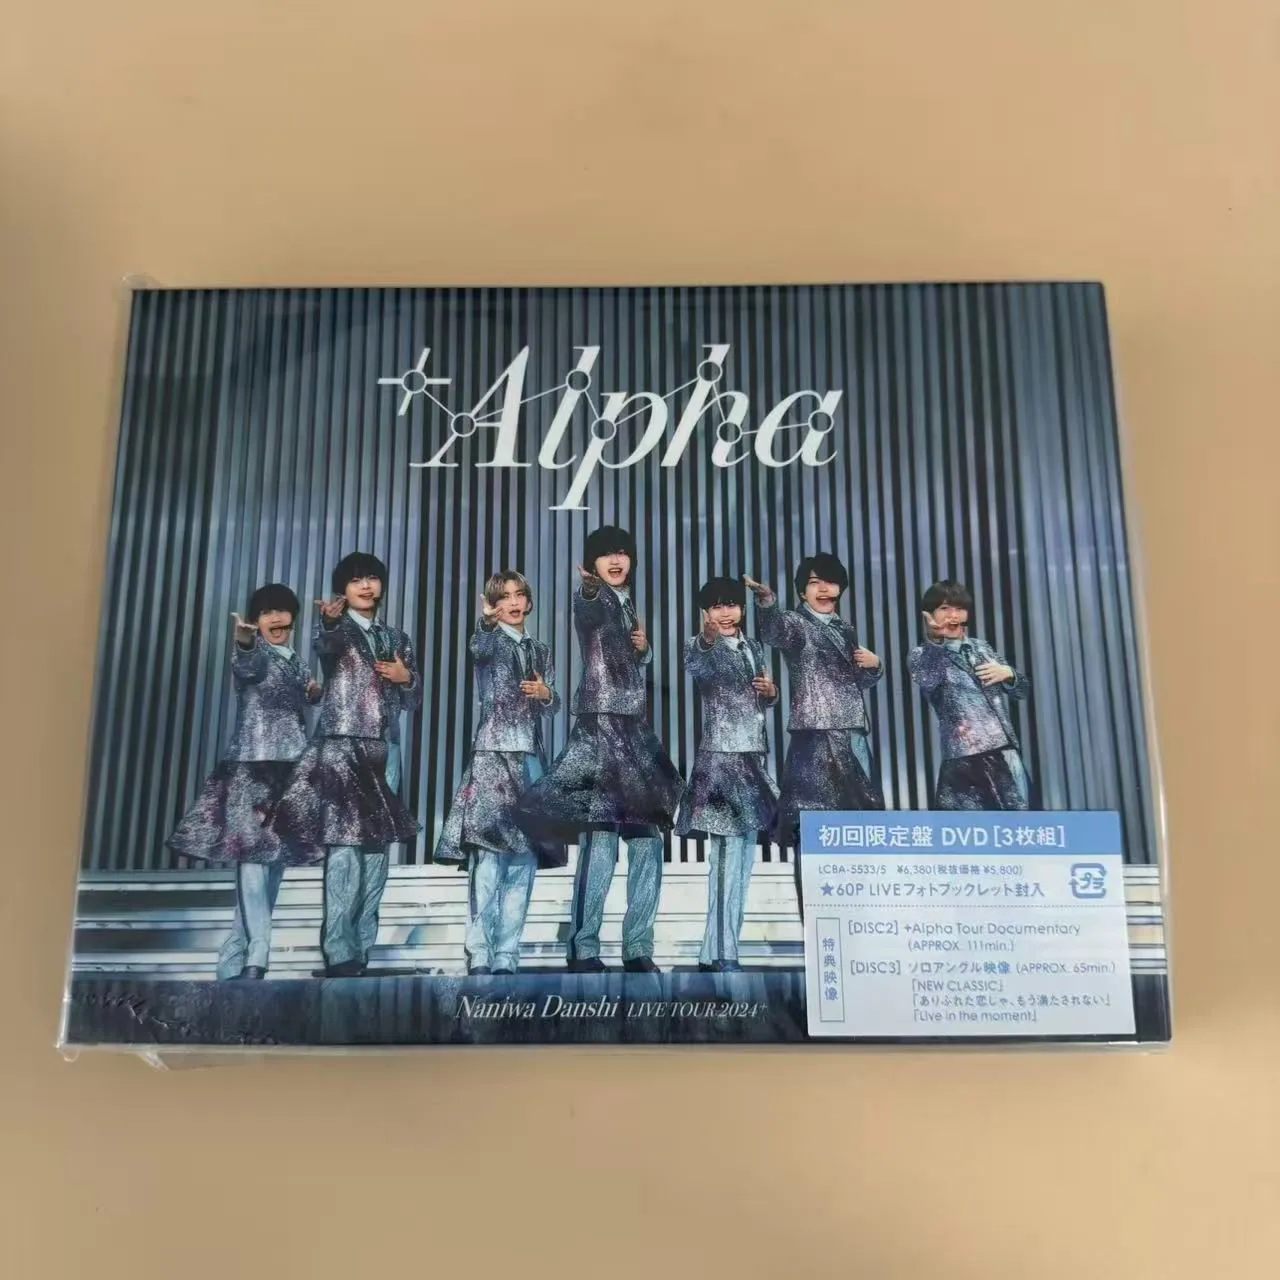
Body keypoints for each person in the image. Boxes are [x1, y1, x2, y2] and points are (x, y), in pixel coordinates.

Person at [516, 525, 683, 973]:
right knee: (601, 842)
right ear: (592, 564)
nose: (615, 560)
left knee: (648, 843)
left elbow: (628, 656)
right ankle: (584, 947)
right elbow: (587, 610)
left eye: (622, 553)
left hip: (634, 730)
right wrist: (589, 588)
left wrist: (645, 651)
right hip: (600, 725)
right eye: (606, 554)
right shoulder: (591, 596)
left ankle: (638, 947)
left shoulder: (627, 603)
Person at [270, 553, 421, 977]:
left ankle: (362, 947)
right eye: (356, 581)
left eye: (372, 578)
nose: (366, 586)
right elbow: (327, 649)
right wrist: (330, 624)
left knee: (376, 850)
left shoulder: (398, 638)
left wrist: (407, 679)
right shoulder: (335, 630)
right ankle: (339, 950)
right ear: (343, 590)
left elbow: (413, 700)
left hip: (386, 748)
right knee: (343, 847)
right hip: (342, 744)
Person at [167, 584, 321, 980]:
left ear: (293, 618)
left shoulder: (298, 662)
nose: (276, 619)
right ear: (256, 621)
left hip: (291, 769)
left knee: (274, 863)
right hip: (251, 767)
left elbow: (310, 696)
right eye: (267, 612)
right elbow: (247, 666)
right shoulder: (254, 653)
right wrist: (245, 643)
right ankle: (259, 952)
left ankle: (233, 961)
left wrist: (315, 691)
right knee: (252, 859)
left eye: (282, 611)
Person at [435, 571, 562, 975]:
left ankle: (507, 953)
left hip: (531, 757)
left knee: (524, 858)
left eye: (519, 594)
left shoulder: (541, 650)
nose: (513, 602)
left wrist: (547, 695)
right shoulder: (488, 641)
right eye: (504, 596)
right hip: (492, 754)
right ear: (493, 604)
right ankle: (480, 951)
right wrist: (486, 622)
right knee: (488, 858)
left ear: (529, 601)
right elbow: (479, 646)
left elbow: (552, 706)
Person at [745, 553, 884, 914]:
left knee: (860, 825)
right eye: (814, 583)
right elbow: (773, 630)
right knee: (811, 830)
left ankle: (859, 917)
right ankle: (817, 922)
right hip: (814, 736)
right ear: (802, 592)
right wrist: (766, 602)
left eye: (830, 582)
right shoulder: (796, 623)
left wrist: (875, 666)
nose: (824, 589)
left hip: (853, 732)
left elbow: (857, 681)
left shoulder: (845, 628)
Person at [675, 576, 779, 973]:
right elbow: (696, 661)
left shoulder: (753, 647)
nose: (725, 613)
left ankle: (713, 952)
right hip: (721, 764)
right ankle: (722, 953)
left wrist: (771, 694)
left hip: (753, 763)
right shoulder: (700, 644)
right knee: (725, 864)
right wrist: (707, 637)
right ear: (705, 612)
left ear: (742, 608)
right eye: (716, 606)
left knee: (742, 865)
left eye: (731, 604)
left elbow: (758, 702)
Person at [908, 580, 1032, 810]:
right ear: (930, 614)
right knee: (964, 827)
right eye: (944, 609)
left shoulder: (982, 647)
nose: (953, 615)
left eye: (959, 608)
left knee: (1019, 822)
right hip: (964, 756)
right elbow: (927, 680)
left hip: (1004, 748)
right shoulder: (923, 654)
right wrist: (936, 640)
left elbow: (1022, 691)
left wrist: (1009, 674)